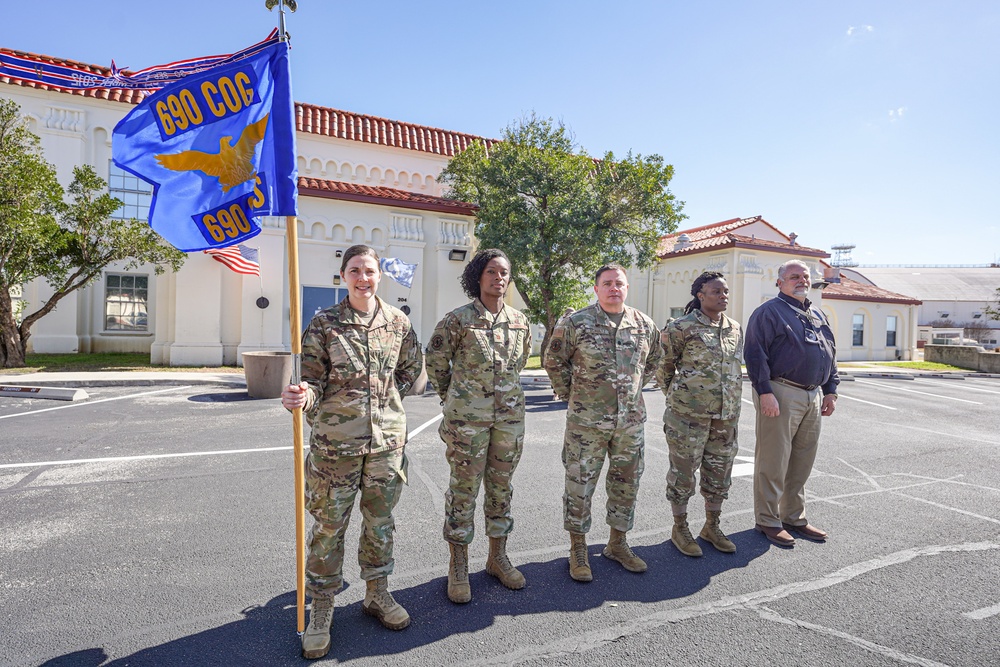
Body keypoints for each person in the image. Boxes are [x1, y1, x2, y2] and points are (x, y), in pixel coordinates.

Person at [280, 244, 423, 660]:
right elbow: (310, 381)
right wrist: (300, 397)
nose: (364, 277)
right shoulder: (324, 324)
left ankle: (377, 592)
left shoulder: (398, 322)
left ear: (380, 275)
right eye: (355, 270)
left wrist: (383, 404)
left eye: (370, 270)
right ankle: (322, 606)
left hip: (386, 446)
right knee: (329, 526)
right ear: (343, 276)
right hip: (336, 448)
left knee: (380, 523)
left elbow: (411, 370)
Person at [425, 248, 533, 604]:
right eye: (491, 271)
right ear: (477, 276)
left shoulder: (520, 321)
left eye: (504, 272)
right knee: (463, 492)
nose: (499, 278)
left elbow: (518, 365)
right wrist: (453, 400)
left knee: (502, 490)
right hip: (466, 424)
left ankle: (497, 557)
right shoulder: (458, 320)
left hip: (508, 422)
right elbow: (437, 364)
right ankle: (458, 565)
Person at [544, 263, 662, 581]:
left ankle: (618, 543)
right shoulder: (577, 322)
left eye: (619, 283)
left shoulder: (644, 324)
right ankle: (578, 549)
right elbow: (554, 360)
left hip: (630, 423)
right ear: (596, 289)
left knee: (626, 485)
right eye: (607, 283)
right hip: (587, 423)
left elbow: (655, 360)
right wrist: (572, 394)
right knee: (580, 487)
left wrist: (635, 387)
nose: (614, 288)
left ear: (627, 288)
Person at [744, 260, 839, 548]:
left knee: (802, 460)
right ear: (780, 282)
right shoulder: (768, 312)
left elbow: (829, 352)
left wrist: (831, 389)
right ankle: (768, 520)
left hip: (813, 396)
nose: (801, 280)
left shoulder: (817, 314)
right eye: (794, 276)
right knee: (773, 460)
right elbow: (755, 353)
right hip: (780, 391)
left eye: (805, 276)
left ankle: (794, 517)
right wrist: (764, 392)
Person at [658, 272, 744, 557]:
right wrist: (681, 398)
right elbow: (664, 367)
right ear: (700, 295)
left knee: (719, 473)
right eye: (716, 291)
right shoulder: (681, 327)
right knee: (683, 474)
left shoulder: (735, 328)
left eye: (726, 291)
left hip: (726, 416)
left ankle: (712, 525)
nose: (723, 296)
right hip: (687, 417)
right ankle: (680, 527)